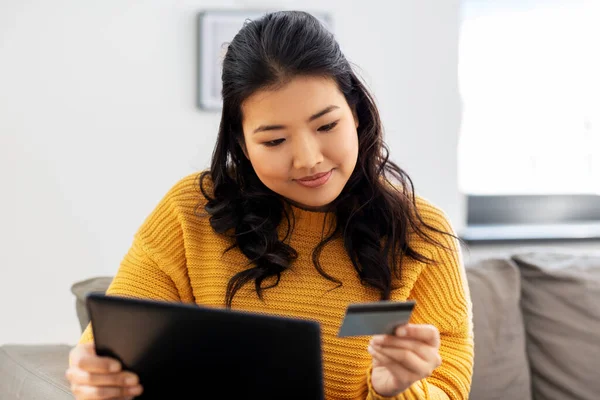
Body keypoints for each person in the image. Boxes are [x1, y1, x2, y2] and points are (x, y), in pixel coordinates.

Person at [65, 10, 474, 400]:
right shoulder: (191, 210)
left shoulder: (423, 231)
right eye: (275, 141)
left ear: (357, 114)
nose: (308, 158)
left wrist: (396, 389)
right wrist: (94, 372)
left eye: (327, 125)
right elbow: (111, 345)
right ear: (241, 144)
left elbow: (451, 387)